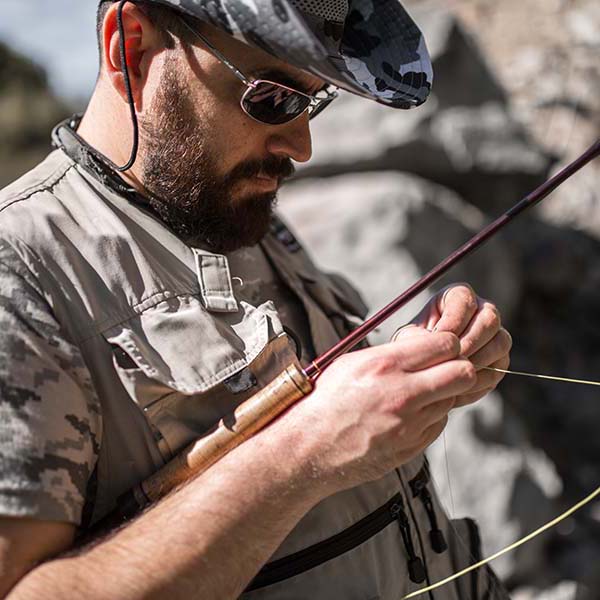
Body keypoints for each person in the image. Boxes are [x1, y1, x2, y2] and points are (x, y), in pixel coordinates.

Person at [0, 1, 512, 598]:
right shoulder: (22, 273)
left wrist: (405, 370)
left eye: (317, 101)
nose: (302, 145)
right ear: (129, 46)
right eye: (273, 98)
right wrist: (308, 449)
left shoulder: (229, 207)